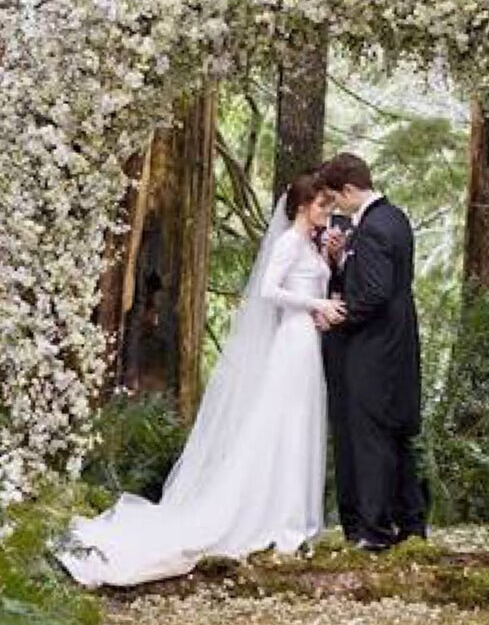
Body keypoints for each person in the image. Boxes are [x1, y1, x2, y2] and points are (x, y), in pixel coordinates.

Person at [55, 173, 345, 587]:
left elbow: (307, 285)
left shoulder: (310, 245)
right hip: (292, 343)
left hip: (307, 340)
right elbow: (268, 290)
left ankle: (292, 515)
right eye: (321, 205)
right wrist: (314, 303)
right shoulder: (287, 243)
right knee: (285, 422)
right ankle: (278, 518)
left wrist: (328, 274)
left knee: (298, 423)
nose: (327, 212)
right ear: (302, 206)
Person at [319, 152, 426, 550]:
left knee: (371, 435)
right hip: (397, 340)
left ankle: (376, 531)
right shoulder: (395, 217)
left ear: (349, 190)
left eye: (335, 198)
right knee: (394, 434)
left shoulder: (373, 228)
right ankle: (411, 524)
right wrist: (341, 259)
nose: (336, 208)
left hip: (375, 346)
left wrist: (339, 317)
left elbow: (375, 292)